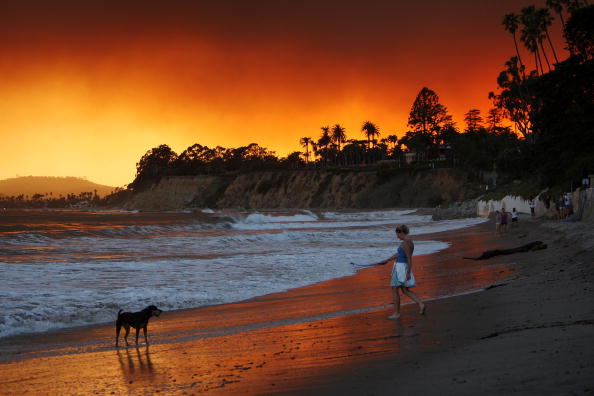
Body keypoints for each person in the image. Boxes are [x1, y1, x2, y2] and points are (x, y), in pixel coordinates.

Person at [388, 224, 425, 319]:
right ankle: (421, 304)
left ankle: (396, 313)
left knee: (395, 289)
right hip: (401, 267)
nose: (397, 236)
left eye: (397, 234)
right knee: (405, 290)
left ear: (401, 232)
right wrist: (387, 260)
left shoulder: (406, 243)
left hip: (401, 268)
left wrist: (408, 272)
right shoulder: (407, 241)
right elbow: (399, 253)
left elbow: (409, 258)